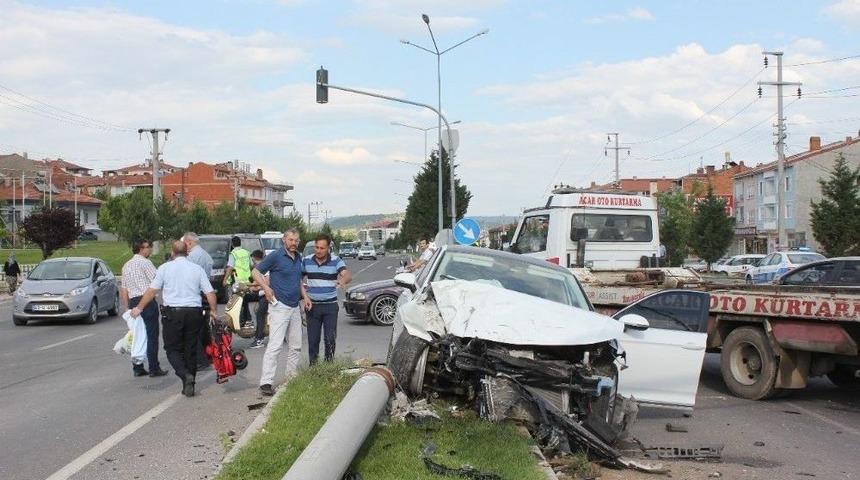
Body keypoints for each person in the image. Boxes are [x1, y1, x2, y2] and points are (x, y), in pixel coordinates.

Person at [131, 240, 217, 397]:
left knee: (172, 349)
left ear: (172, 252)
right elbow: (210, 292)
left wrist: (139, 307)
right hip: (194, 313)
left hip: (173, 314)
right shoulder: (196, 269)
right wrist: (213, 310)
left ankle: (185, 375)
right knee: (190, 348)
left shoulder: (165, 268)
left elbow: (151, 291)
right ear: (187, 252)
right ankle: (189, 385)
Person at [252, 229, 311, 396]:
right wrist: (266, 288)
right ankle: (266, 382)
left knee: (296, 346)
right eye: (291, 240)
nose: (294, 243)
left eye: (296, 240)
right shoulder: (276, 256)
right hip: (279, 307)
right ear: (284, 240)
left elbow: (298, 280)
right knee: (275, 345)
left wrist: (305, 297)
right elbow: (255, 272)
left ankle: (290, 378)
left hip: (294, 307)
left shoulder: (298, 257)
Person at [120, 239, 168, 378]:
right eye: (148, 247)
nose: (150, 250)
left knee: (137, 334)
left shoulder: (126, 265)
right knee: (151, 334)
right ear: (141, 249)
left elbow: (124, 289)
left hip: (133, 302)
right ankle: (154, 367)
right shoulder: (145, 263)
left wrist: (127, 307)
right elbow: (157, 280)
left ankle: (137, 366)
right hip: (146, 301)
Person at [303, 234, 351, 364]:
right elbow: (298, 280)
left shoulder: (336, 260)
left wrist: (342, 280)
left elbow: (346, 275)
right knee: (313, 340)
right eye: (316, 247)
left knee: (330, 339)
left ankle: (328, 367)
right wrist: (305, 296)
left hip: (330, 307)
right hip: (312, 307)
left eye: (322, 248)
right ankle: (313, 368)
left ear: (328, 248)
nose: (318, 251)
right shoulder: (306, 260)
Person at [182, 232, 214, 370]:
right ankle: (208, 355)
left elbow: (186, 276)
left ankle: (200, 359)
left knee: (194, 329)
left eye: (185, 244)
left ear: (189, 242)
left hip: (196, 294)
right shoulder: (205, 254)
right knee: (204, 327)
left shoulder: (192, 257)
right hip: (205, 293)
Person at [250, 249, 268, 349]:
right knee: (244, 298)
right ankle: (246, 321)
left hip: (267, 295)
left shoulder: (265, 268)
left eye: (253, 261)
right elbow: (255, 282)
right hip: (261, 294)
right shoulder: (258, 268)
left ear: (256, 259)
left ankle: (259, 339)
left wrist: (257, 287)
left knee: (260, 314)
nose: (253, 263)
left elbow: (268, 283)